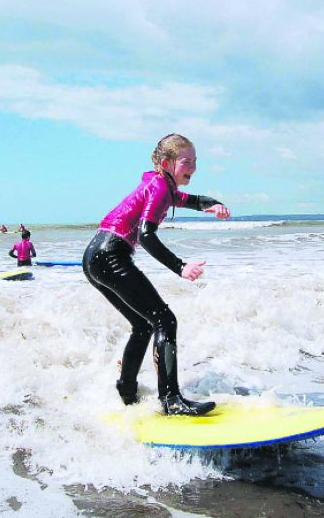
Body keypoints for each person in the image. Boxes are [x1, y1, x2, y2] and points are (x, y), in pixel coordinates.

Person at [83, 133, 231, 416]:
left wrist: (214, 205)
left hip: (95, 256)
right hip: (109, 254)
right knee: (165, 319)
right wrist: (180, 266)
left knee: (143, 325)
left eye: (195, 161)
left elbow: (192, 200)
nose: (193, 167)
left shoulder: (162, 185)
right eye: (187, 161)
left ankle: (127, 392)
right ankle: (171, 399)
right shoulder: (160, 186)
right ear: (167, 162)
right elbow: (146, 235)